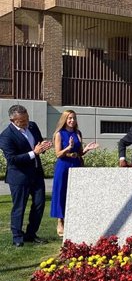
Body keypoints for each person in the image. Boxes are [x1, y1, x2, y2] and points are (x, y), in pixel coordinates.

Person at [0, 105, 53, 247]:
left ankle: (31, 234)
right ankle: (17, 237)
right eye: (22, 121)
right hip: (19, 177)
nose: (26, 122)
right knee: (19, 207)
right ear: (13, 120)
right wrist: (34, 153)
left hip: (36, 174)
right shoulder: (6, 135)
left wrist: (43, 146)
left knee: (39, 205)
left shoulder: (32, 126)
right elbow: (12, 159)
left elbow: (38, 144)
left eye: (27, 118)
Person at [50, 110, 99, 236]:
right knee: (61, 192)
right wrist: (68, 147)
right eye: (69, 118)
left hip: (76, 164)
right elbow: (58, 154)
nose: (72, 120)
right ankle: (60, 222)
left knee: (75, 192)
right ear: (64, 119)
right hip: (63, 165)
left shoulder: (78, 133)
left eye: (74, 118)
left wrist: (86, 149)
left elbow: (79, 152)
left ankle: (74, 220)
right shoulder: (59, 134)